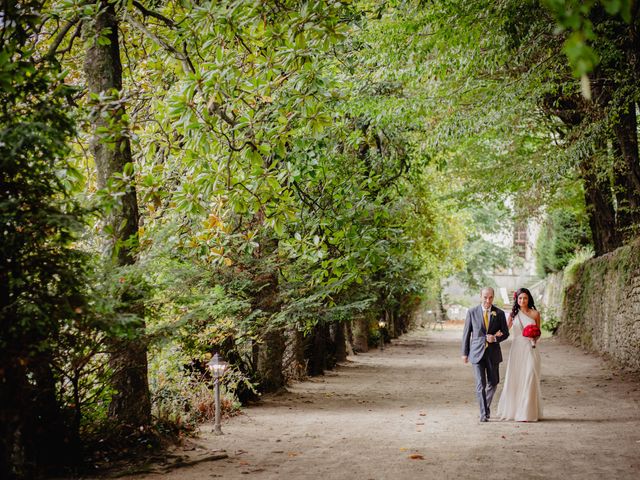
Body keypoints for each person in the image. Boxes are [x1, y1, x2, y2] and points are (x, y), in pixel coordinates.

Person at [461, 287, 510, 422]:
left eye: (490, 298)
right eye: (485, 297)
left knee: (493, 382)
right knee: (480, 384)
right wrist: (464, 353)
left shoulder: (499, 313)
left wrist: (495, 338)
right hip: (476, 353)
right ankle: (483, 413)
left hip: (493, 353)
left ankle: (486, 407)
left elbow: (506, 333)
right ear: (480, 296)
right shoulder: (472, 312)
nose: (488, 300)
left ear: (493, 297)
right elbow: (467, 333)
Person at [496, 287, 543, 422]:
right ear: (517, 299)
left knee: (530, 377)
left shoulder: (535, 314)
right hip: (517, 349)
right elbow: (504, 331)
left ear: (529, 299)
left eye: (525, 298)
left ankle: (527, 413)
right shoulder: (512, 315)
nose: (522, 300)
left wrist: (534, 338)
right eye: (520, 298)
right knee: (516, 378)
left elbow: (538, 332)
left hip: (531, 348)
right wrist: (494, 336)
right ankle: (515, 410)